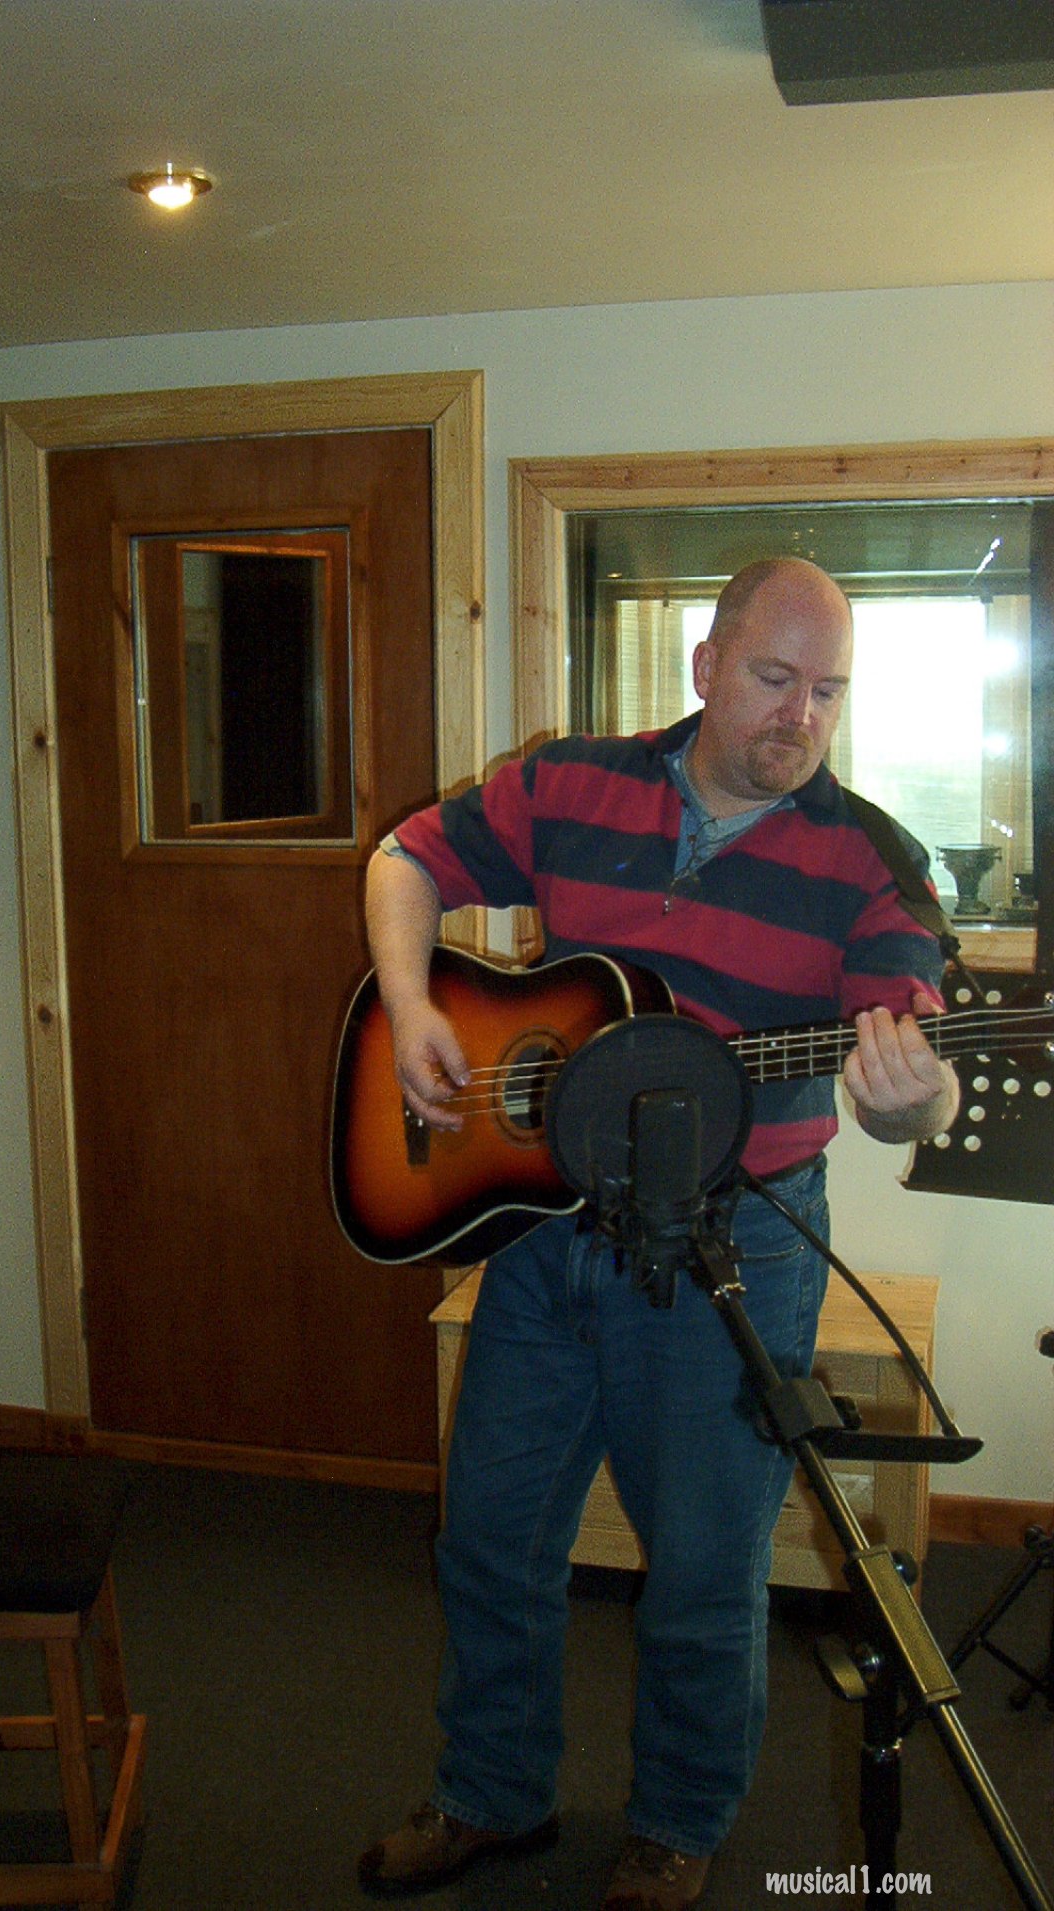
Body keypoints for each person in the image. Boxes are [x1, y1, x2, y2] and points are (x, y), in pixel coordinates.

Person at [355, 558, 960, 1910]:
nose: (801, 715)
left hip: (731, 1250)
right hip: (541, 1231)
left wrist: (915, 1097)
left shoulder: (870, 862)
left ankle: (679, 1825)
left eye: (829, 690)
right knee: (492, 1536)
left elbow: (909, 1077)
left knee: (701, 1566)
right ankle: (490, 1793)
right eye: (774, 678)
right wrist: (411, 1003)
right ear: (705, 665)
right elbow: (406, 858)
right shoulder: (571, 781)